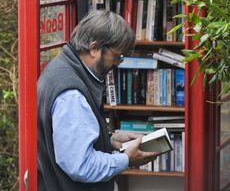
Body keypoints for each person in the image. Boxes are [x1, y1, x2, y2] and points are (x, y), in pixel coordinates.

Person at [37, 10, 158, 191]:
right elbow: (81, 166)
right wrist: (126, 159)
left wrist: (109, 140)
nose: (117, 63)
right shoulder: (71, 94)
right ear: (94, 48)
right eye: (116, 56)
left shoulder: (63, 68)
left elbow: (69, 139)